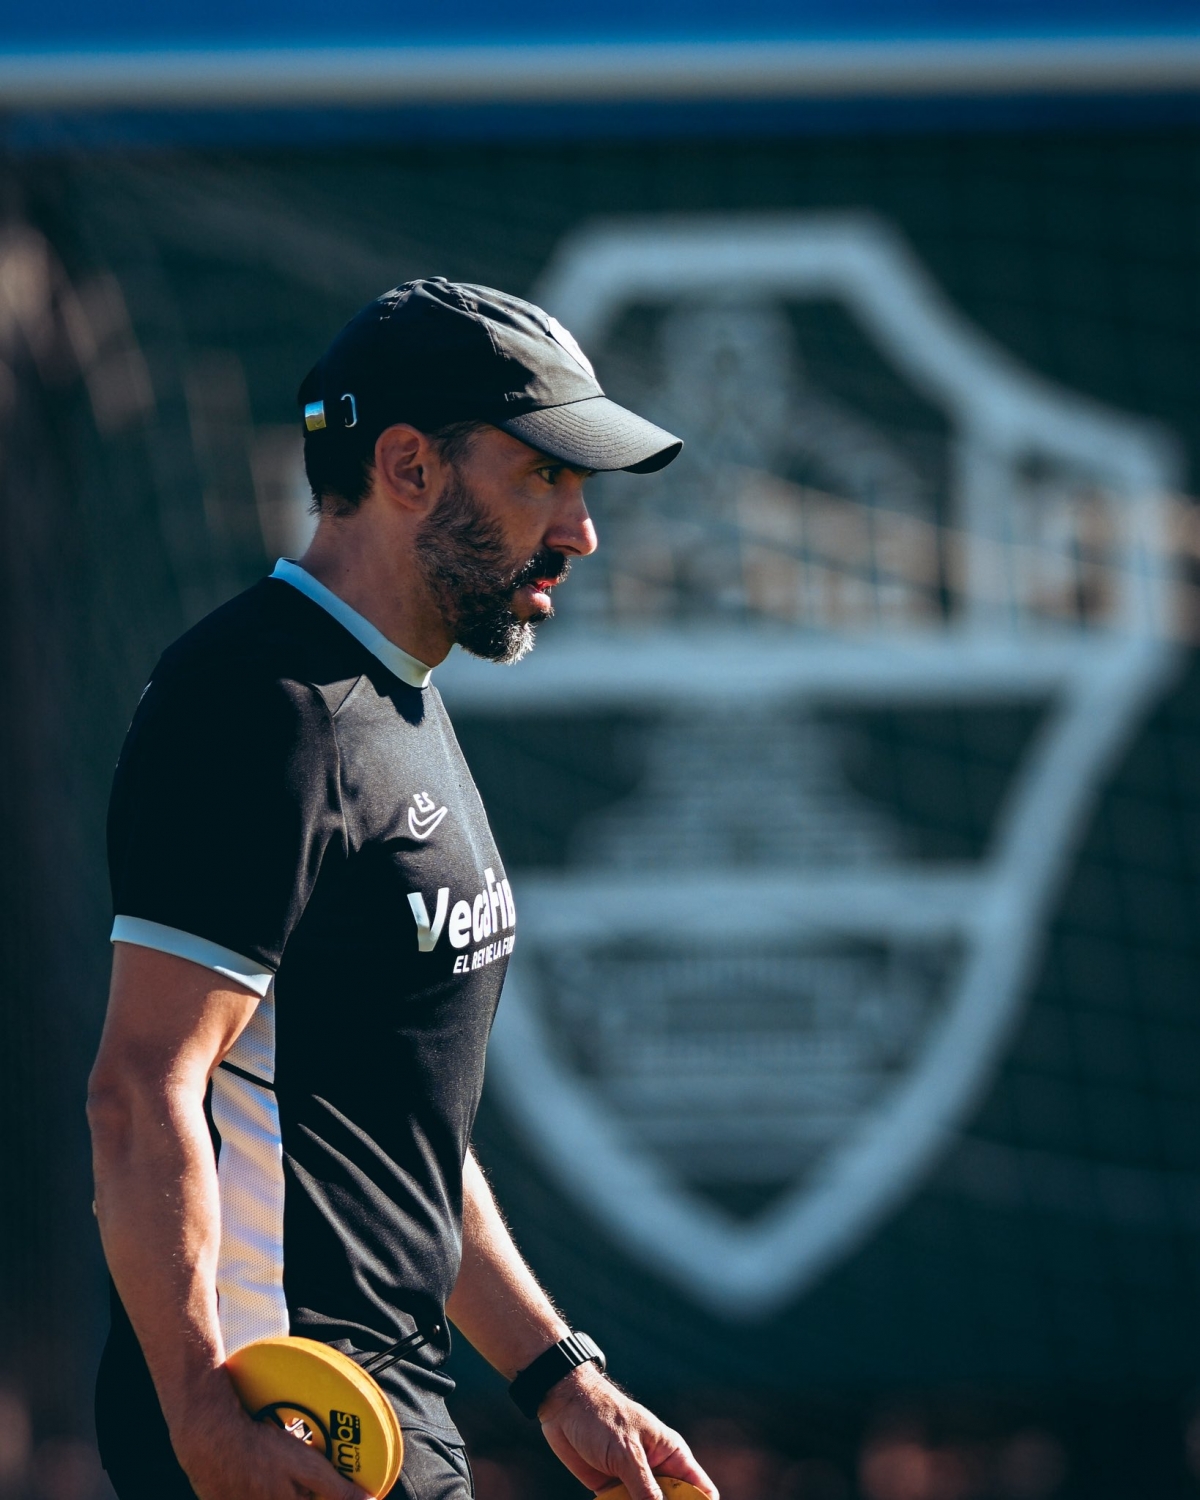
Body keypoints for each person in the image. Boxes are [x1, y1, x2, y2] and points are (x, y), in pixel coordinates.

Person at [86, 279, 715, 1500]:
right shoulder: (260, 704)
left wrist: (554, 1378)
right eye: (545, 476)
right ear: (408, 466)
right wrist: (200, 1415)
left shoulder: (394, 696)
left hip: (381, 1413)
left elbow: (391, 1122)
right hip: (288, 1425)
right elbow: (135, 1090)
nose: (582, 532)